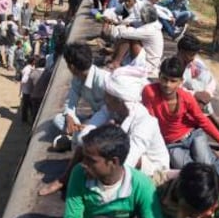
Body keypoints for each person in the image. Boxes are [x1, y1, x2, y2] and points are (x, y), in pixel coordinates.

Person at [40, 65, 169, 197]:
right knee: (86, 146)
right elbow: (85, 136)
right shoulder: (111, 109)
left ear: (120, 101)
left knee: (108, 156)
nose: (105, 99)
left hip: (152, 169)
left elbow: (128, 160)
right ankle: (64, 179)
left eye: (108, 96)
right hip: (121, 157)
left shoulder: (145, 122)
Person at [142, 57, 219, 177]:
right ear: (159, 76)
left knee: (207, 168)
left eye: (173, 81)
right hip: (171, 144)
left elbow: (202, 120)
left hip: (193, 136)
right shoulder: (149, 92)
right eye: (164, 79)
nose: (167, 85)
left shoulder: (186, 98)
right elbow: (151, 121)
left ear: (180, 81)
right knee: (194, 175)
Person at [176, 33, 219, 140]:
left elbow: (211, 79)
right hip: (182, 99)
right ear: (181, 52)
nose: (192, 58)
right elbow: (175, 88)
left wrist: (208, 93)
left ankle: (209, 123)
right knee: (197, 92)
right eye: (190, 54)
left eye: (194, 54)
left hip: (200, 100)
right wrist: (195, 94)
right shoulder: (173, 65)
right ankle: (216, 125)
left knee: (202, 81)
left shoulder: (196, 63)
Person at [50, 42, 108, 153]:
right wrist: (70, 117)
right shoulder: (77, 78)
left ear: (71, 66)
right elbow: (70, 102)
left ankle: (73, 138)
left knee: (84, 134)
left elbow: (111, 113)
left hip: (105, 121)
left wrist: (89, 124)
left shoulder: (103, 81)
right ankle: (74, 135)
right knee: (58, 119)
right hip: (93, 117)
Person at [107, 3, 164, 78]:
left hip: (148, 64)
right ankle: (113, 56)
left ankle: (116, 63)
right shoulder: (153, 24)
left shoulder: (150, 29)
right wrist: (121, 23)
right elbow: (133, 23)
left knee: (128, 37)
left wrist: (120, 27)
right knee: (129, 33)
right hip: (149, 58)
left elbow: (124, 33)